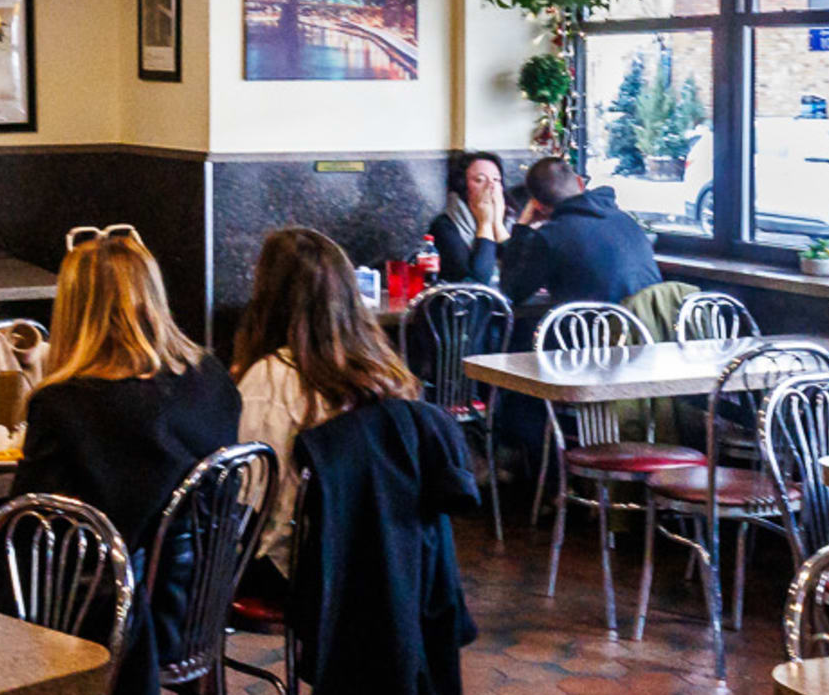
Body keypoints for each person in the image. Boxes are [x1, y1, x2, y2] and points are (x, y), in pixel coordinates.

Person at [16, 233, 242, 695]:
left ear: (76, 310)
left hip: (110, 631)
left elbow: (38, 537)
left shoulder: (67, 406)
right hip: (192, 610)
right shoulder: (210, 382)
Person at [229, 227, 417, 602]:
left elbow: (249, 496)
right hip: (380, 563)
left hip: (295, 569)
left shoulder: (271, 378)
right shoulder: (386, 372)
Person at [494, 154, 660, 321]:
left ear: (538, 205)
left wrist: (522, 226)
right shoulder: (624, 219)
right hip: (654, 332)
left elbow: (513, 291)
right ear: (580, 183)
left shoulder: (551, 236)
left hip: (598, 339)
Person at [430, 152, 507, 289]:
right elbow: (477, 284)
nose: (491, 186)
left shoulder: (510, 219)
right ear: (463, 187)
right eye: (480, 180)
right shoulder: (445, 226)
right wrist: (485, 225)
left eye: (496, 180)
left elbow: (522, 272)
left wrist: (499, 226)